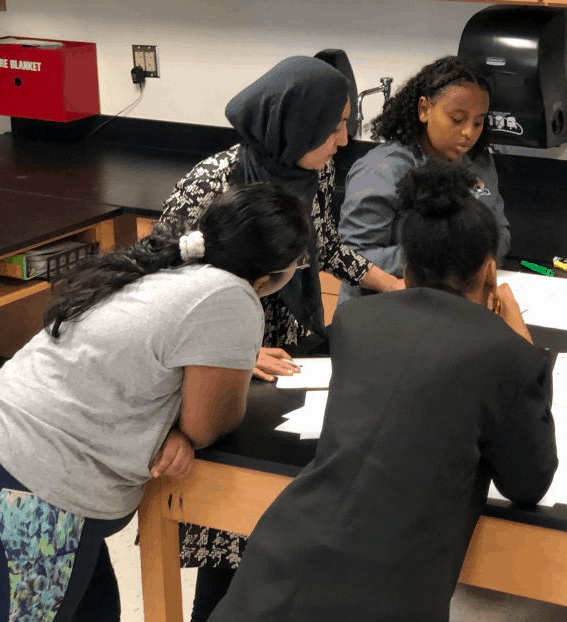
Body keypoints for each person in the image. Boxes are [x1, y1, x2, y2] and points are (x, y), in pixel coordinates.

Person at [0, 184, 312, 622]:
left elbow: (138, 355)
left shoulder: (167, 269)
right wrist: (183, 429)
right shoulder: (233, 297)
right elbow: (209, 424)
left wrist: (226, 364)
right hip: (28, 490)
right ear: (268, 274)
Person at [208, 160, 558, 622]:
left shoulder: (356, 322)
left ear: (406, 265)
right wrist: (525, 350)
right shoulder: (506, 354)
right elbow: (528, 483)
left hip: (282, 562)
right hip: (389, 589)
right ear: (490, 271)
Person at [158, 56, 403, 620]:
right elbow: (165, 287)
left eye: (348, 123)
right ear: (293, 126)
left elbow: (323, 247)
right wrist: (238, 357)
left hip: (288, 354)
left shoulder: (307, 172)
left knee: (288, 516)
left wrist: (394, 285)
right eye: (333, 126)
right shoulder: (215, 181)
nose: (344, 140)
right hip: (222, 362)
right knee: (235, 526)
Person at [337, 55, 510, 306]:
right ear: (424, 109)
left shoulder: (479, 163)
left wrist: (473, 251)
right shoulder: (381, 169)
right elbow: (353, 256)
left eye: (478, 122)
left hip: (457, 305)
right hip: (381, 309)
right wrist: (447, 253)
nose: (469, 133)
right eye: (458, 119)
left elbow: (501, 232)